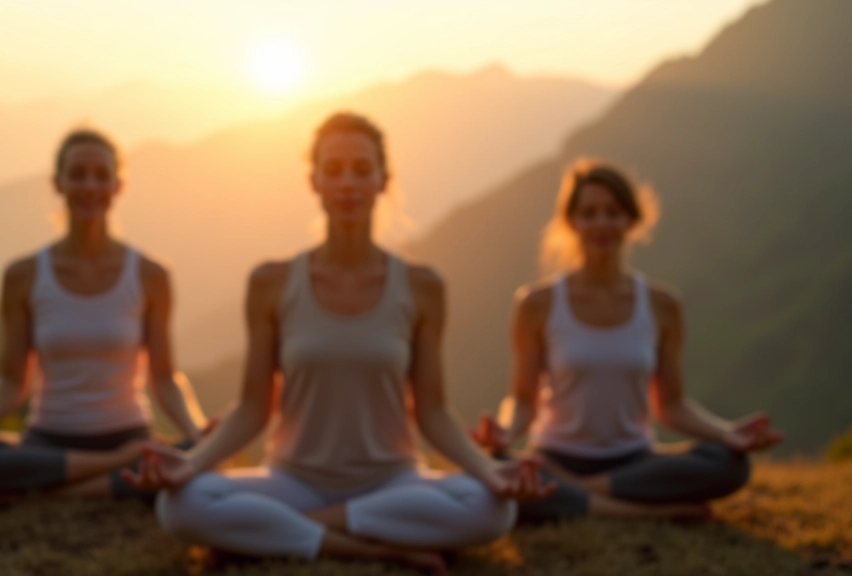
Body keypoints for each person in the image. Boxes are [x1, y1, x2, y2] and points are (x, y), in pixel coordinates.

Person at [122, 112, 553, 574]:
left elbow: (432, 411)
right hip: (293, 478)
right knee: (180, 504)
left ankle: (279, 532)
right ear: (314, 182)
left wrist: (488, 472)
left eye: (361, 170)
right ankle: (376, 548)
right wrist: (192, 464)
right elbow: (253, 408)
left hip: (393, 481)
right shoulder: (272, 282)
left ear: (383, 181)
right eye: (334, 170)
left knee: (493, 509)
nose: (347, 183)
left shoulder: (422, 286)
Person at [0, 128, 210, 501]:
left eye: (101, 175)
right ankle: (109, 473)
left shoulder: (150, 275)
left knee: (192, 461)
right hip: (49, 442)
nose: (90, 186)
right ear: (58, 183)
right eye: (78, 174)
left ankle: (51, 490)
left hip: (128, 433)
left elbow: (163, 378)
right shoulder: (23, 275)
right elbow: (12, 383)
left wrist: (197, 432)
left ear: (118, 186)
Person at [471, 158, 784, 522]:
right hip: (556, 455)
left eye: (613, 212)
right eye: (589, 213)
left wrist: (729, 433)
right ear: (571, 222)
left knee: (729, 463)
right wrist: (505, 432)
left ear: (632, 220)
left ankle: (576, 494)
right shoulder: (536, 304)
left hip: (634, 460)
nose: (601, 223)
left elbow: (671, 405)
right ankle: (646, 513)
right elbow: (524, 399)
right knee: (494, 466)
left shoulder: (663, 305)